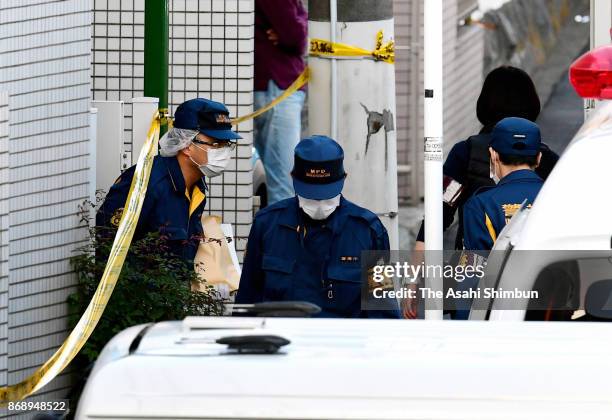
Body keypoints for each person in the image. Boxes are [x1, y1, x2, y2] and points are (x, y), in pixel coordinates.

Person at [404, 66, 558, 318]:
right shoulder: (545, 158)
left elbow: (436, 217)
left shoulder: (464, 153)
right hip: (538, 281)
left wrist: (413, 282)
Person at [236, 135, 400, 318]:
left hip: (344, 342)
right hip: (282, 341)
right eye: (311, 196)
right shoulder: (267, 225)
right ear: (292, 178)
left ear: (344, 178)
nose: (319, 202)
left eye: (326, 195)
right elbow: (246, 302)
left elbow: (383, 309)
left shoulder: (368, 230)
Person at [96, 98, 241, 262]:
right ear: (186, 145)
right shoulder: (145, 183)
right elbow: (106, 245)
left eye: (226, 144)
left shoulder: (196, 188)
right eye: (215, 144)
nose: (223, 151)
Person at [254, 0, 308, 205]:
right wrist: (300, 28)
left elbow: (296, 31)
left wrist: (299, 25)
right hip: (276, 85)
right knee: (284, 182)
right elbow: (296, 37)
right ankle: (284, 236)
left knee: (279, 178)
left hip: (275, 86)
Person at [462, 117, 544, 251]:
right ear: (539, 158)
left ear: (493, 155)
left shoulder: (480, 205)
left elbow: (474, 269)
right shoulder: (561, 199)